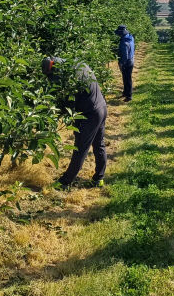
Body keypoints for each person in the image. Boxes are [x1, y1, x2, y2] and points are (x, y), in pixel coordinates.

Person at [42, 57, 108, 188]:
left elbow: (69, 102)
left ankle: (65, 182)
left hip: (90, 114)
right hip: (101, 106)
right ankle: (99, 178)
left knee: (80, 148)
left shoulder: (70, 77)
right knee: (99, 144)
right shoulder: (76, 64)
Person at [115, 24, 135, 101]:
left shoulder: (124, 42)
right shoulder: (130, 37)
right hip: (131, 59)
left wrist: (121, 64)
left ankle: (129, 96)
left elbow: (125, 55)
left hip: (126, 62)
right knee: (126, 77)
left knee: (127, 78)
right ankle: (125, 92)